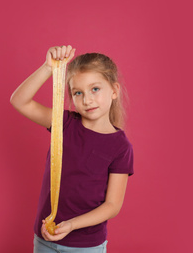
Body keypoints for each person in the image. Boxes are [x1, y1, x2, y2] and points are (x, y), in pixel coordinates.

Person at [10, 45, 134, 252]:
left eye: (95, 89)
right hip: (45, 237)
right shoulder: (64, 122)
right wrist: (48, 68)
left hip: (86, 245)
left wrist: (72, 225)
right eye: (78, 92)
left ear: (114, 91)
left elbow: (112, 205)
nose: (87, 99)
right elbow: (19, 101)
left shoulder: (120, 146)